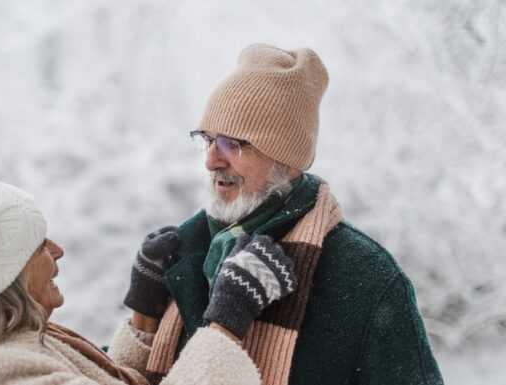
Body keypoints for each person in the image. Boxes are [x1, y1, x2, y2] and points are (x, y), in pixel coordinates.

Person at [122, 44, 444, 384]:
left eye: (232, 143)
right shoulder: (182, 254)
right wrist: (142, 317)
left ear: (286, 157)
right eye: (208, 139)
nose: (211, 160)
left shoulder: (366, 275)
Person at [0, 181, 289, 384]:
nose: (58, 251)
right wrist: (225, 323)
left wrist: (144, 317)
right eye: (39, 245)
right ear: (3, 276)